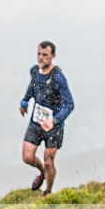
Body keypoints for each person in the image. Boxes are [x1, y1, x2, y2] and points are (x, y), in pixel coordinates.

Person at [19, 41, 74, 196]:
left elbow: (69, 105)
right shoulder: (35, 71)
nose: (41, 58)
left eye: (45, 55)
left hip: (53, 127)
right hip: (36, 122)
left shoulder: (58, 77)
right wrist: (24, 101)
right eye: (39, 54)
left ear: (53, 56)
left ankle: (48, 192)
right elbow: (32, 87)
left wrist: (54, 120)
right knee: (27, 157)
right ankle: (42, 172)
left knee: (49, 161)